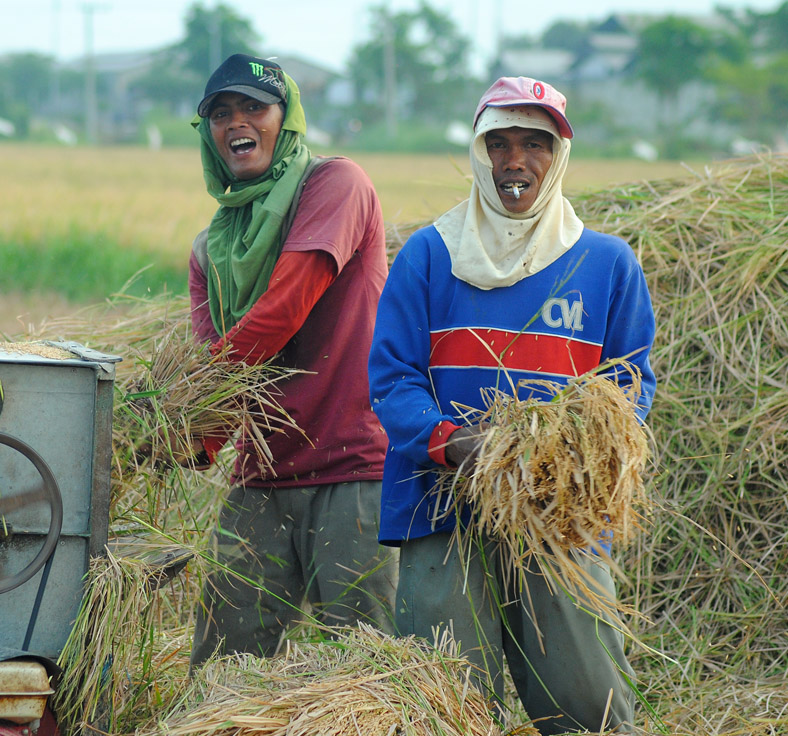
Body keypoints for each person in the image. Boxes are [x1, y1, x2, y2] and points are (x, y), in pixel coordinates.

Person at [367, 76, 655, 733]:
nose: (515, 161)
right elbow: (392, 378)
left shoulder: (606, 266)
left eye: (535, 144)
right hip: (442, 507)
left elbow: (631, 383)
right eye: (499, 143)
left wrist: (569, 455)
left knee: (591, 705)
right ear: (478, 151)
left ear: (559, 157)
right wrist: (454, 444)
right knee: (441, 706)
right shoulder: (430, 257)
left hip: (561, 518)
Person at [186, 53, 396, 665]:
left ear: (288, 119)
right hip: (264, 473)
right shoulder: (212, 248)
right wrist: (190, 442)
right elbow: (215, 371)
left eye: (255, 107)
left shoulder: (337, 185)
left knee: (363, 670)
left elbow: (281, 312)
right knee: (221, 666)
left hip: (352, 469)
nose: (236, 123)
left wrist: (186, 413)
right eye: (220, 113)